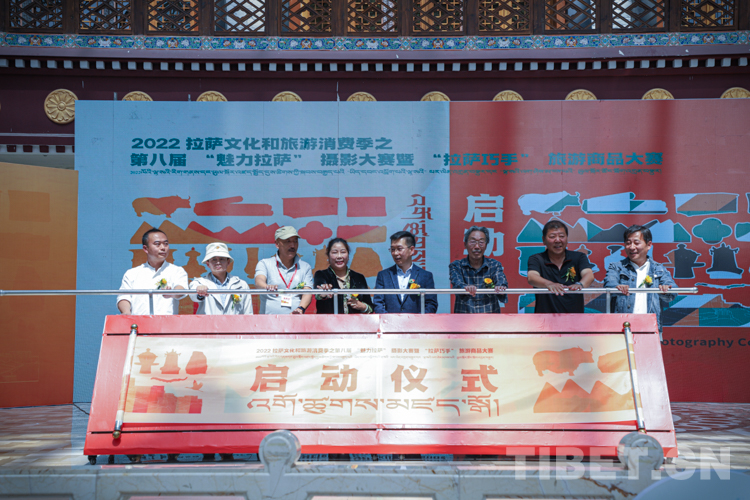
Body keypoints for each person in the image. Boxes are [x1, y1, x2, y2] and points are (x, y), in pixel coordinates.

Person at [604, 225, 676, 339]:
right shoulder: (616, 267)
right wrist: (617, 287)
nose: (632, 247)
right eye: (628, 243)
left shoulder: (659, 268)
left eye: (636, 243)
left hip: (650, 326)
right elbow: (609, 284)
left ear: (649, 245)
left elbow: (672, 293)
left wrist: (665, 290)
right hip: (622, 326)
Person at [527, 220, 595, 313]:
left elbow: (589, 275)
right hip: (545, 317)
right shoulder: (537, 259)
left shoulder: (579, 257)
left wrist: (580, 284)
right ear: (544, 240)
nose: (558, 240)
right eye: (552, 237)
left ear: (567, 239)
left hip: (575, 317)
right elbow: (532, 277)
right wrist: (549, 284)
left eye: (562, 236)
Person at [117, 228, 187, 315]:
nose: (163, 248)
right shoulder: (132, 273)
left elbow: (181, 289)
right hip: (139, 321)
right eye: (157, 244)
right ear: (145, 248)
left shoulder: (177, 271)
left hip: (167, 322)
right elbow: (124, 297)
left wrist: (172, 293)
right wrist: (126, 312)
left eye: (166, 244)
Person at [373, 230, 437, 314]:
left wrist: (417, 319)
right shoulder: (383, 275)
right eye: (392, 249)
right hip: (390, 321)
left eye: (399, 249)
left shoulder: (425, 276)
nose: (395, 253)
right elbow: (378, 304)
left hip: (417, 322)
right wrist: (389, 319)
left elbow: (431, 304)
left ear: (411, 250)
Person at [254, 226, 313, 314]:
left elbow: (307, 291)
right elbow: (259, 281)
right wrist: (266, 286)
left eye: (295, 241)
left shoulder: (305, 267)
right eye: (288, 241)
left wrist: (300, 308)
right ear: (277, 244)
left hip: (295, 319)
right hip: (269, 320)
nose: (292, 245)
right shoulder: (265, 263)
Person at [449, 226, 508, 313]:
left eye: (481, 242)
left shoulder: (494, 265)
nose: (477, 246)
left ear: (486, 245)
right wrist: (466, 288)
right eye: (473, 242)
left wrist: (500, 287)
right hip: (464, 316)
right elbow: (457, 282)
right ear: (465, 244)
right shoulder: (456, 265)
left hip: (490, 317)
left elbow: (500, 279)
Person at [189, 242, 253, 315]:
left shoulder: (241, 284)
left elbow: (248, 313)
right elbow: (194, 296)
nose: (218, 262)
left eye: (222, 259)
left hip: (235, 323)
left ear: (228, 262)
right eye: (214, 259)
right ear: (208, 264)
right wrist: (200, 291)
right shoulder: (199, 283)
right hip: (209, 322)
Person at [313, 238, 373, 314]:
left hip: (355, 321)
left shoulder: (359, 277)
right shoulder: (321, 275)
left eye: (343, 252)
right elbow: (318, 294)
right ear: (328, 256)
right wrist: (323, 293)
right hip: (329, 321)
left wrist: (363, 307)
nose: (339, 256)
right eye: (335, 252)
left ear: (348, 255)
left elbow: (370, 307)